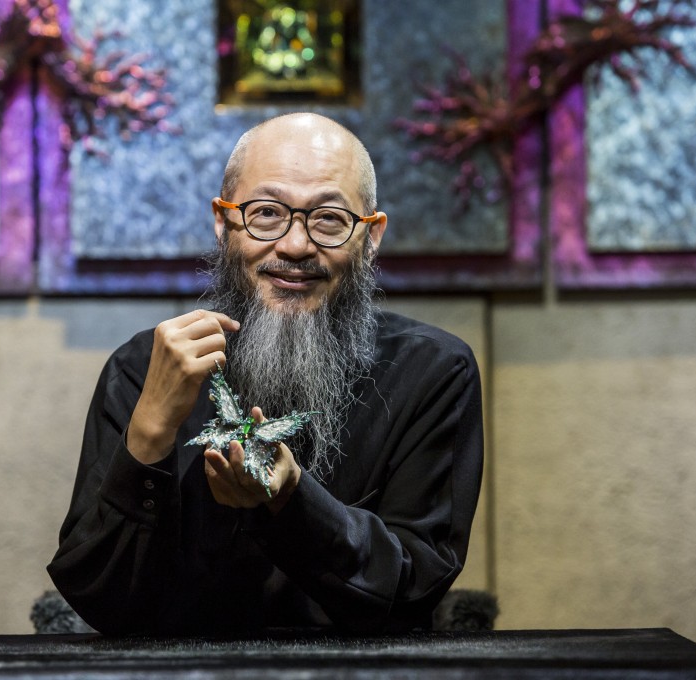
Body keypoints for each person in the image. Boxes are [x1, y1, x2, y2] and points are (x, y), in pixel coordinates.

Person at [47, 112, 484, 634]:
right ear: (223, 220)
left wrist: (292, 500)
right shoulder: (142, 369)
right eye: (267, 213)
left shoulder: (433, 373)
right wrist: (149, 433)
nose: (296, 246)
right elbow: (97, 598)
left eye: (328, 219)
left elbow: (413, 590)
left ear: (371, 236)